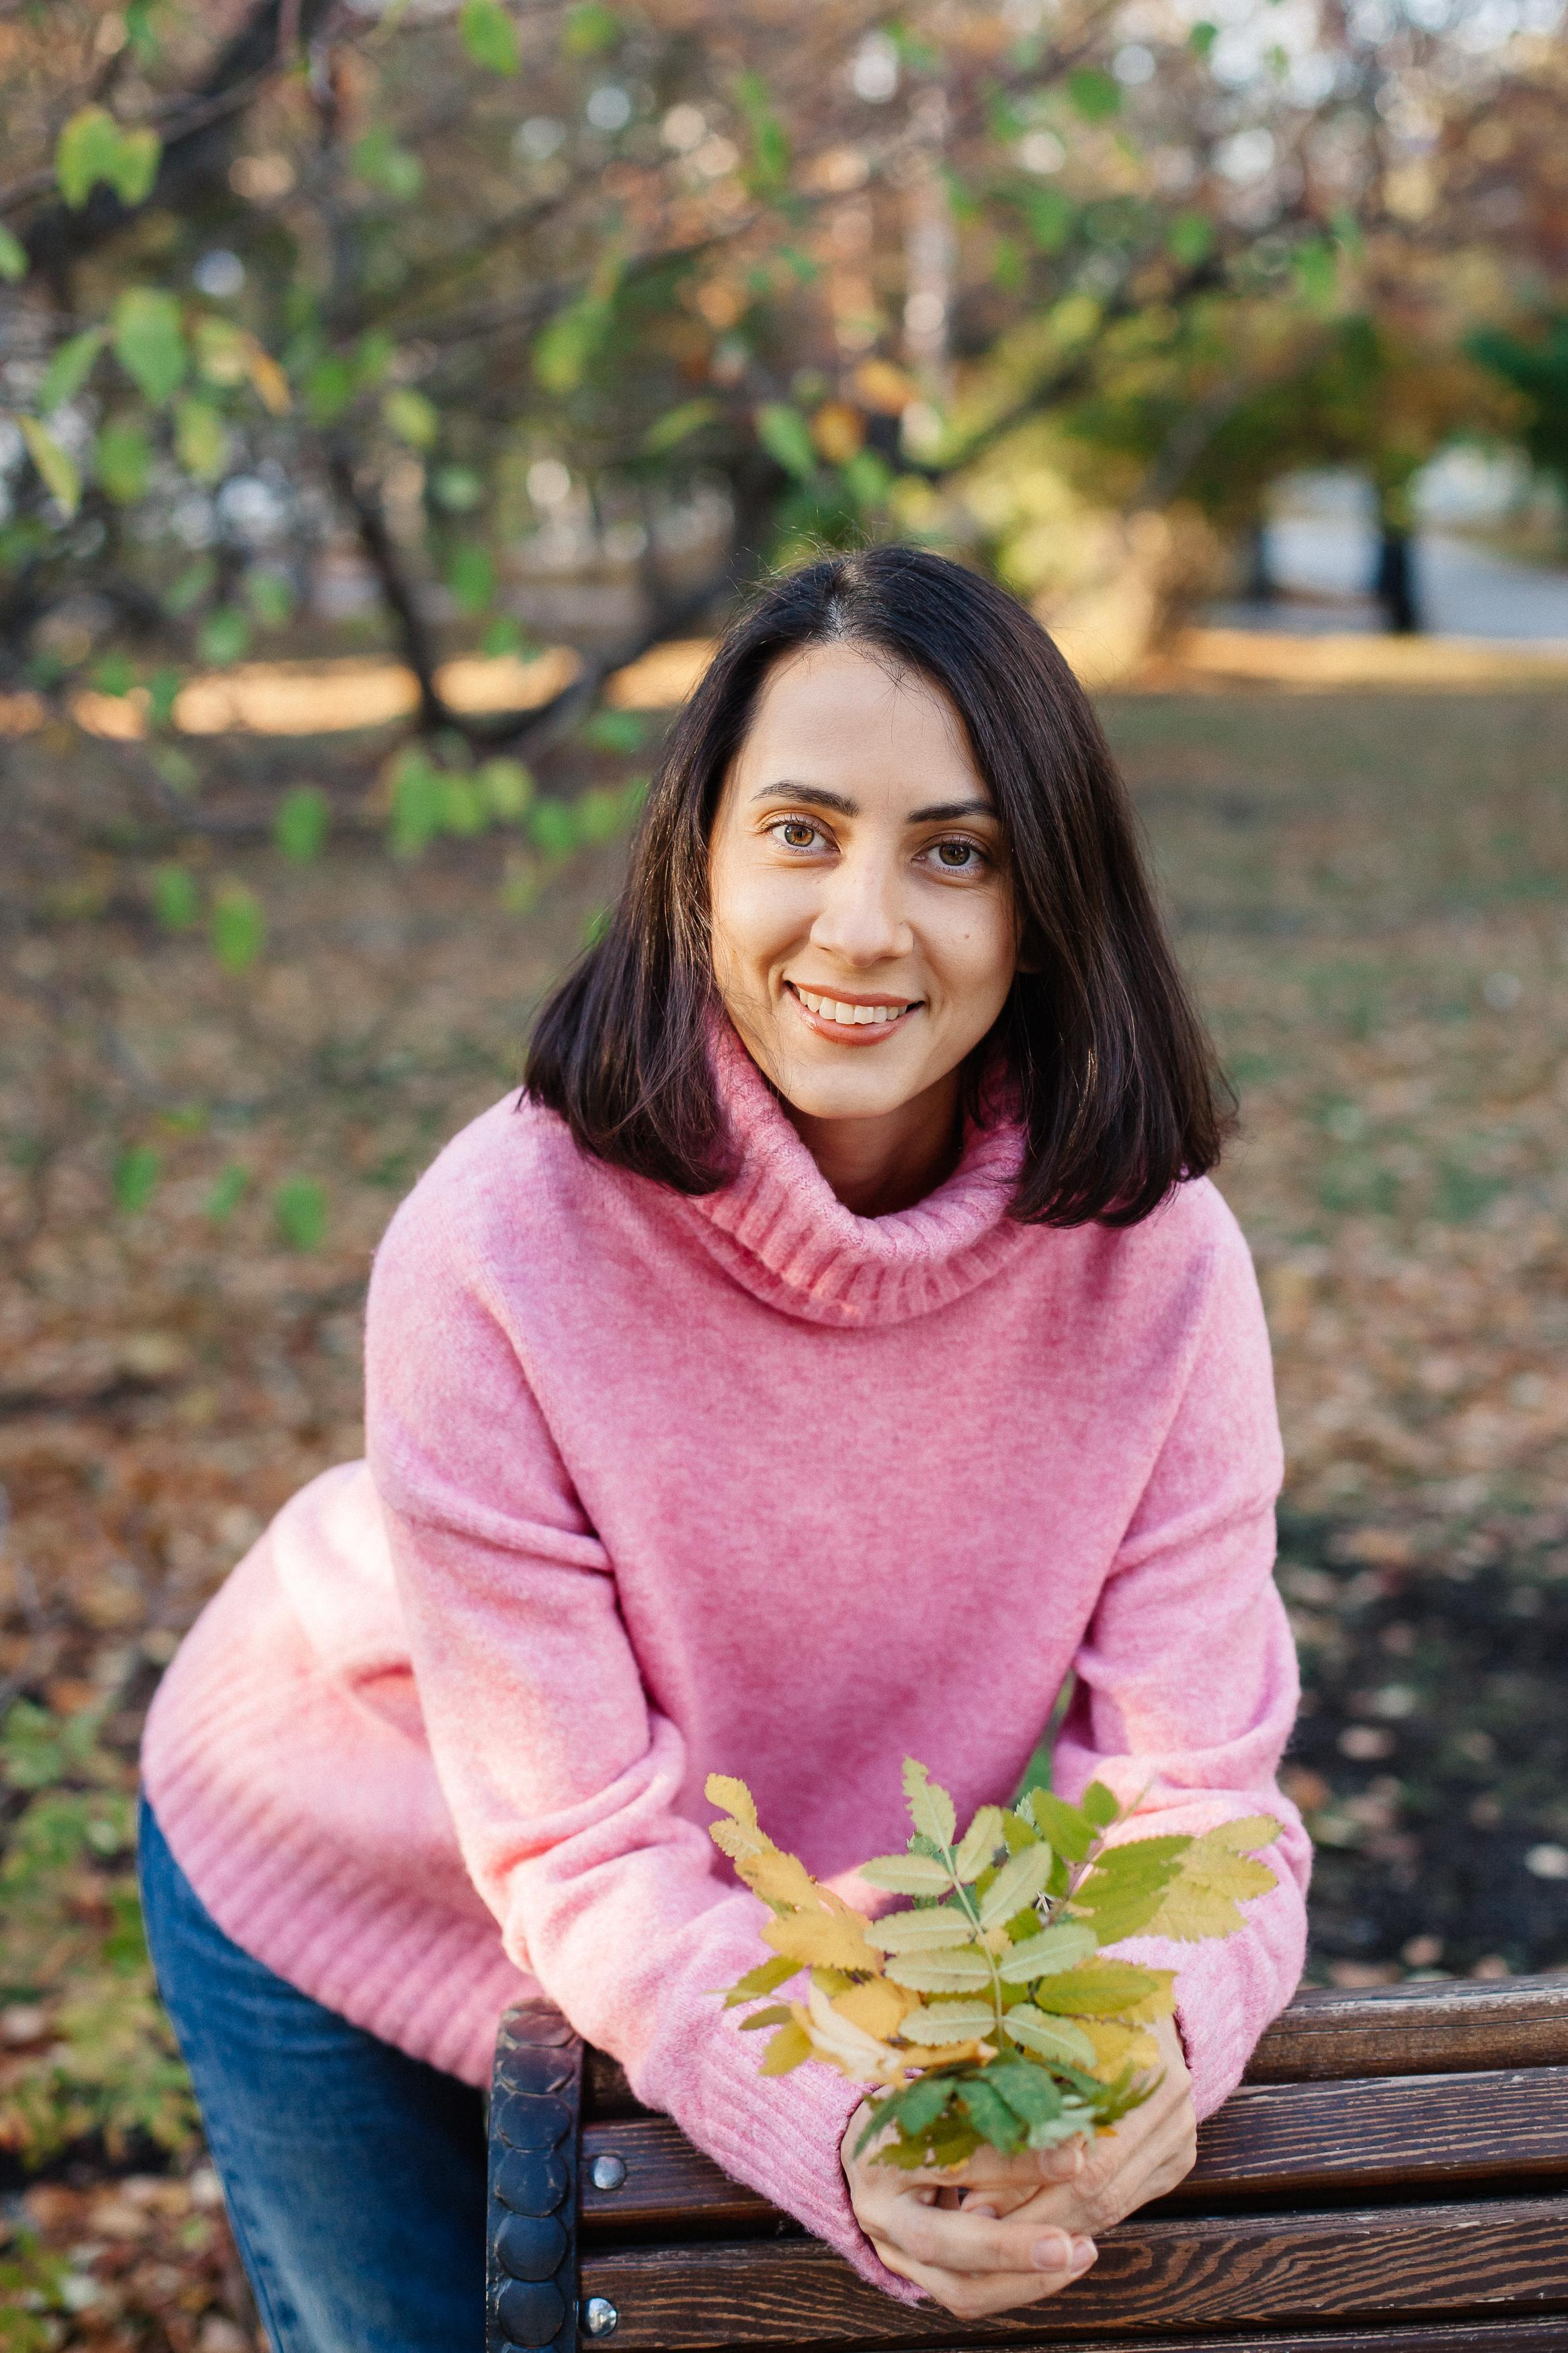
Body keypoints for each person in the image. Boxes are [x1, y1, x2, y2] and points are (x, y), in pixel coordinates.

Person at [139, 545, 1309, 2353]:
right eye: (801, 831)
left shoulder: (1158, 1266)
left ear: (1047, 900)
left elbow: (1199, 1783)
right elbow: (583, 1848)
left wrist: (1141, 2027)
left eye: (955, 850)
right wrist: (835, 2121)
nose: (860, 925)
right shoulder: (500, 1244)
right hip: (362, 1848)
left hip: (770, 1930)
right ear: (698, 855)